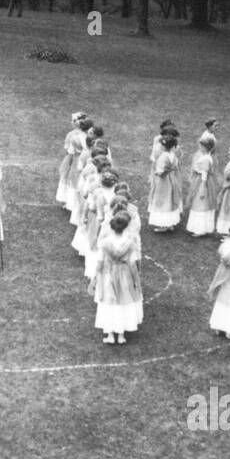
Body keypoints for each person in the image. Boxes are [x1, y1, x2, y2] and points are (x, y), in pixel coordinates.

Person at [94, 212, 142, 345]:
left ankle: (110, 334)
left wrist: (95, 278)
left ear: (111, 227)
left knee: (110, 301)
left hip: (109, 274)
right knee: (124, 301)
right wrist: (136, 280)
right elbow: (132, 264)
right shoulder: (130, 244)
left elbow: (99, 262)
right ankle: (121, 335)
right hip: (125, 274)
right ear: (125, 227)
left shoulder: (104, 243)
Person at [148, 133, 183, 232]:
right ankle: (170, 223)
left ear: (163, 146)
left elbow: (160, 171)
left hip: (163, 181)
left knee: (162, 200)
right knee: (170, 198)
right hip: (171, 179)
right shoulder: (173, 155)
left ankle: (164, 224)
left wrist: (156, 173)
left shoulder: (163, 157)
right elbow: (174, 166)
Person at [184, 138, 217, 236]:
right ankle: (199, 228)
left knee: (200, 203)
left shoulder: (206, 158)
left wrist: (202, 189)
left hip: (202, 182)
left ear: (205, 147)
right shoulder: (206, 156)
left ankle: (200, 229)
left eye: (201, 145)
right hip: (200, 180)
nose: (199, 147)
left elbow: (204, 174)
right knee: (198, 203)